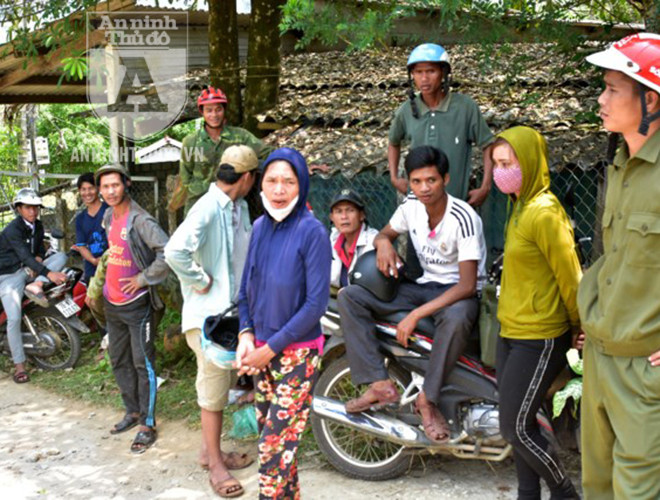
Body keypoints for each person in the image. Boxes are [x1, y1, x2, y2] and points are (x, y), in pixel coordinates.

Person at [338, 145, 486, 443]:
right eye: (416, 181)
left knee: (458, 317)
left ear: (445, 179)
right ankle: (379, 384)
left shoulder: (463, 217)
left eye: (431, 180)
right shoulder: (411, 206)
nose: (424, 188)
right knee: (350, 296)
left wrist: (416, 315)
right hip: (423, 286)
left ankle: (427, 400)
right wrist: (383, 243)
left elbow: (467, 285)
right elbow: (385, 233)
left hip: (457, 294)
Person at [578, 33, 660, 500]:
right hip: (600, 356)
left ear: (650, 100)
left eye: (612, 89)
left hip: (645, 369)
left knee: (637, 492)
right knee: (597, 486)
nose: (601, 100)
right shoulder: (619, 163)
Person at [235, 147, 331, 499]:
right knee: (278, 446)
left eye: (288, 182)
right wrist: (246, 334)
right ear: (261, 184)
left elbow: (315, 304)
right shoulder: (260, 227)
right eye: (272, 180)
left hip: (297, 355)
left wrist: (270, 348)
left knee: (272, 450)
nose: (278, 190)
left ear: (301, 185)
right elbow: (245, 289)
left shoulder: (312, 232)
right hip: (261, 351)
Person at [492, 126, 581, 500]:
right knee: (521, 424)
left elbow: (570, 276)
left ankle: (564, 493)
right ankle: (527, 494)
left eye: (507, 164)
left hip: (540, 334)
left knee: (515, 428)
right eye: (496, 164)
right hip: (511, 331)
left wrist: (578, 325)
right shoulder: (518, 206)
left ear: (529, 163)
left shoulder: (544, 212)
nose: (500, 172)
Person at [165, 146, 258, 497]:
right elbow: (175, 250)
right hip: (207, 320)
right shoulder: (207, 207)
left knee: (220, 386)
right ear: (247, 177)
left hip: (230, 316)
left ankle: (209, 452)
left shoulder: (239, 206)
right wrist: (199, 279)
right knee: (213, 393)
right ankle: (216, 467)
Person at [86, 164, 169, 454]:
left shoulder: (141, 220)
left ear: (127, 184)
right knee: (118, 359)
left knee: (142, 363)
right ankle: (132, 411)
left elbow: (167, 252)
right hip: (113, 303)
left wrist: (143, 279)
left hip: (137, 306)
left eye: (115, 185)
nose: (110, 191)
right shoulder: (109, 216)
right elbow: (115, 252)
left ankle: (147, 423)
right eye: (105, 186)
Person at [388, 43, 494, 206]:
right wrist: (394, 178)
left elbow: (488, 144)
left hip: (456, 203)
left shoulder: (465, 107)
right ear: (412, 75)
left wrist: (485, 187)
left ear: (443, 73)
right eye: (418, 72)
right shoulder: (406, 110)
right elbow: (393, 142)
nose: (424, 78)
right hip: (418, 205)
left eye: (431, 71)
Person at [0, 188, 67, 384]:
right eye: (28, 207)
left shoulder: (37, 225)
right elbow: (23, 254)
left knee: (61, 256)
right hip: (9, 276)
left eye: (36, 207)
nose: (33, 211)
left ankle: (37, 286)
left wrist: (38, 259)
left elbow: (38, 251)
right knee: (14, 318)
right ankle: (19, 366)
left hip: (30, 272)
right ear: (19, 208)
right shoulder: (12, 230)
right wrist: (48, 273)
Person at [180, 86, 272, 215]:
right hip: (199, 208)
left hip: (231, 208)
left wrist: (293, 163)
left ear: (224, 110)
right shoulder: (191, 143)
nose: (214, 115)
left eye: (218, 109)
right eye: (209, 110)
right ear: (202, 112)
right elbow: (186, 179)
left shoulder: (240, 137)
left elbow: (267, 153)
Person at [328, 188, 379, 291]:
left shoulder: (373, 241)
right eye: (338, 211)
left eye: (350, 210)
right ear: (331, 217)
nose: (344, 216)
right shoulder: (331, 241)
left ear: (361, 215)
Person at [71, 172, 109, 284]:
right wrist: (93, 260)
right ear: (79, 191)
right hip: (92, 271)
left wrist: (106, 260)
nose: (87, 193)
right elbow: (81, 246)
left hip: (112, 266)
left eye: (91, 188)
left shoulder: (109, 211)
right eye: (83, 189)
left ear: (98, 188)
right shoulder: (80, 218)